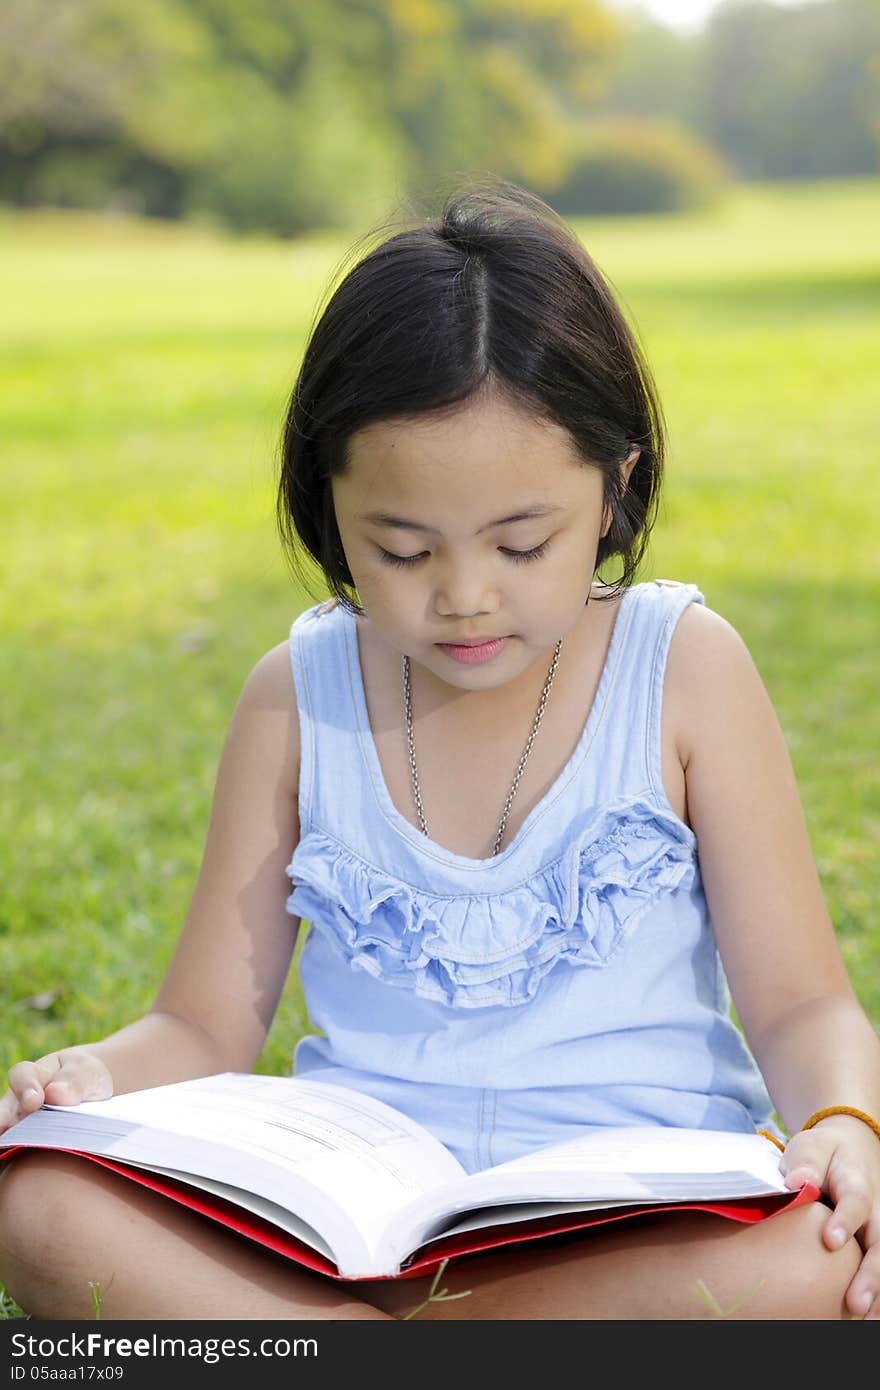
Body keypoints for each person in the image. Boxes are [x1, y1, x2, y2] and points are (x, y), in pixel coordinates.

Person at [1, 180, 878, 1322]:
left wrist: (843, 1127)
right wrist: (89, 1078)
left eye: (522, 543)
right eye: (402, 548)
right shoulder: (296, 696)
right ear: (331, 506)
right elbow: (206, 1025)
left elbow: (803, 1006)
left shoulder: (684, 668)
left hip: (621, 1218)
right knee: (41, 1207)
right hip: (356, 1208)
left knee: (812, 1256)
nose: (465, 599)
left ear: (612, 489)